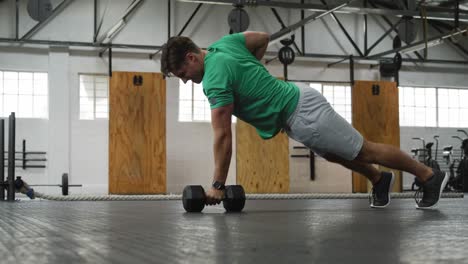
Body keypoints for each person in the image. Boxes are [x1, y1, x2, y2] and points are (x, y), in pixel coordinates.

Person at [160, 31, 449, 209]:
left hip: (302, 112)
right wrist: (254, 70)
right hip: (297, 105)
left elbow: (223, 136)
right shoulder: (223, 45)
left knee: (364, 149)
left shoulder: (214, 79)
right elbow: (261, 36)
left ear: (191, 58)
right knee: (334, 154)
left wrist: (218, 185)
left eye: (183, 75)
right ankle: (379, 178)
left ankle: (428, 176)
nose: (185, 82)